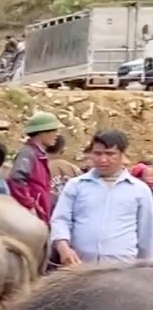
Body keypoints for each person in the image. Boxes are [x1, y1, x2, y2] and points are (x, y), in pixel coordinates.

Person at [48, 129, 153, 268]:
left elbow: (146, 233)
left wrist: (144, 267)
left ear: (122, 154)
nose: (103, 159)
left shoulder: (139, 190)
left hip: (122, 269)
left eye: (110, 154)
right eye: (97, 153)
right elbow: (60, 220)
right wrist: (63, 248)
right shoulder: (76, 186)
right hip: (79, 267)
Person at [9, 113, 61, 223]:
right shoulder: (28, 153)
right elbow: (16, 179)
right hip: (32, 216)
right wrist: (29, 205)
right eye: (53, 130)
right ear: (42, 132)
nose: (56, 135)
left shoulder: (38, 154)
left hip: (40, 212)